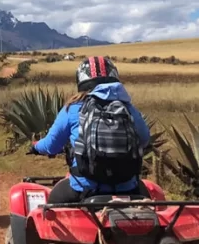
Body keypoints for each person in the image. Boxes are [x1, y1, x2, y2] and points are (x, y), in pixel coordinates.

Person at [31, 57, 150, 204]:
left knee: (52, 206)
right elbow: (144, 139)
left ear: (81, 81)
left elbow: (51, 145)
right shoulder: (128, 108)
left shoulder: (73, 108)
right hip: (128, 189)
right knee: (150, 204)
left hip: (84, 189)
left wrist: (35, 146)